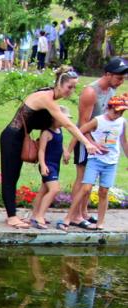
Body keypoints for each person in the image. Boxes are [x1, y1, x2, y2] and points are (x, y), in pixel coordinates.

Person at [0, 68, 101, 229]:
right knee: (10, 176)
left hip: (20, 137)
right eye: (69, 87)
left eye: (74, 88)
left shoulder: (51, 98)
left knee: (15, 176)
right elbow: (67, 124)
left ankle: (16, 214)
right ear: (60, 85)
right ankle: (11, 217)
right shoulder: (47, 98)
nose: (71, 91)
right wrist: (87, 143)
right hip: (11, 137)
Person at [68, 57, 127, 227]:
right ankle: (75, 216)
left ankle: (84, 212)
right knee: (82, 178)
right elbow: (83, 124)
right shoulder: (90, 92)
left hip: (100, 144)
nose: (121, 82)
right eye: (119, 78)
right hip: (85, 141)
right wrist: (91, 144)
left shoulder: (110, 90)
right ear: (108, 74)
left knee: (90, 180)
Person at [60, 94, 127, 232]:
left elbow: (123, 141)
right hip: (95, 159)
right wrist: (69, 150)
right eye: (116, 111)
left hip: (111, 162)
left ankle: (100, 222)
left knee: (104, 191)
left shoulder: (122, 122)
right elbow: (79, 132)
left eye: (121, 112)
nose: (118, 115)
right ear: (109, 108)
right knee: (86, 188)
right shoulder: (98, 121)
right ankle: (68, 218)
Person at [30, 105, 71, 229]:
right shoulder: (46, 133)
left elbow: (59, 143)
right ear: (54, 118)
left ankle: (34, 215)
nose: (65, 122)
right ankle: (39, 216)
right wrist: (43, 165)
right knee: (54, 189)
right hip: (48, 165)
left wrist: (65, 151)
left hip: (55, 165)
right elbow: (41, 151)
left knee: (44, 190)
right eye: (63, 118)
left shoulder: (59, 130)